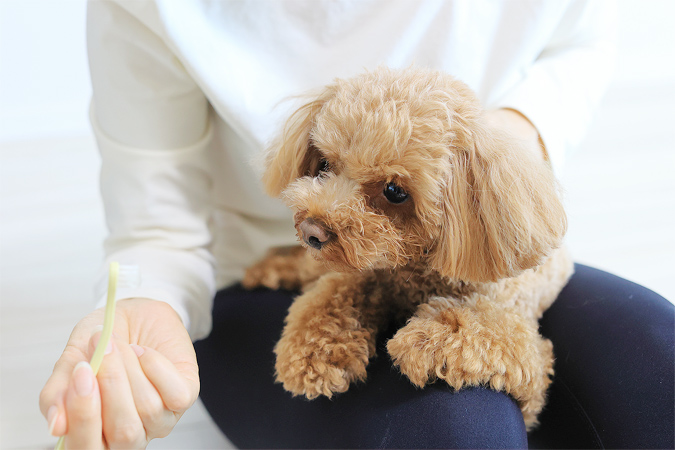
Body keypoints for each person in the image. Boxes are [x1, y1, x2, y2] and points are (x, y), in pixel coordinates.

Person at [39, 0, 674, 448]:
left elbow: (577, 34)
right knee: (458, 431)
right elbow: (157, 227)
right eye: (326, 164)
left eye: (389, 189)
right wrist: (146, 303)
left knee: (660, 369)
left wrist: (505, 143)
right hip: (266, 282)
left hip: (470, 256)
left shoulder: (482, 203)